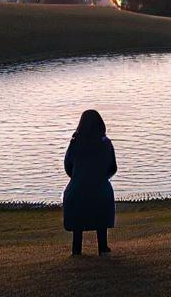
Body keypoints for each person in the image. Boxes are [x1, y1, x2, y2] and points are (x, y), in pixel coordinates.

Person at [63, 109, 117, 255]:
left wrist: (80, 177)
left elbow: (68, 167)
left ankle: (76, 249)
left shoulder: (74, 143)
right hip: (100, 190)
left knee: (78, 218)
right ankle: (103, 247)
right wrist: (99, 177)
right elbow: (113, 167)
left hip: (76, 191)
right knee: (101, 202)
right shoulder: (105, 143)